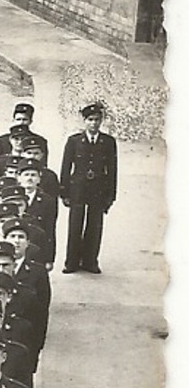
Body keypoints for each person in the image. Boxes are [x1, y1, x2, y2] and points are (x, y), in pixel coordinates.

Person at [59, 102, 118, 274]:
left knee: (95, 224)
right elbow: (66, 167)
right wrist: (64, 192)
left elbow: (113, 170)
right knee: (75, 223)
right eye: (90, 120)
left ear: (101, 121)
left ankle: (90, 261)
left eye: (97, 120)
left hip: (98, 188)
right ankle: (71, 262)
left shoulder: (108, 142)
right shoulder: (74, 141)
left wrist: (110, 196)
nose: (93, 124)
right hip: (77, 188)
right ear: (84, 121)